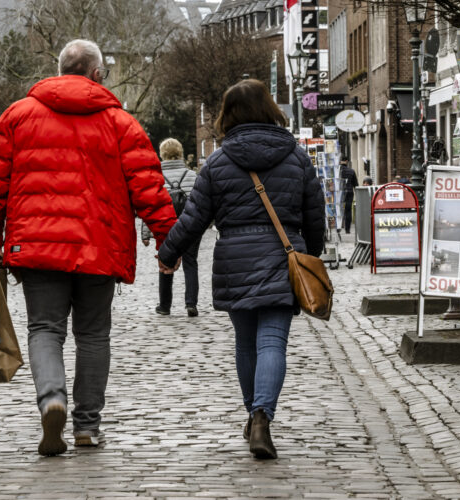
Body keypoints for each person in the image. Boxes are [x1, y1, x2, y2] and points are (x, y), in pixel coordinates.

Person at [0, 39, 177, 456]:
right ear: (98, 74)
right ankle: (87, 426)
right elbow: (149, 188)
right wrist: (167, 242)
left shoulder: (17, 116)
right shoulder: (121, 123)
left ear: (60, 70)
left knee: (44, 329)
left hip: (36, 248)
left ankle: (52, 399)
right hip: (99, 247)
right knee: (93, 335)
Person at [157, 79, 325, 459]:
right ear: (269, 108)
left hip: (236, 258)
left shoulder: (218, 162)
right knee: (273, 343)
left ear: (228, 115)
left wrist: (169, 254)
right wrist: (310, 256)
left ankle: (255, 415)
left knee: (246, 343)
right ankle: (262, 415)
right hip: (284, 257)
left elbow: (193, 219)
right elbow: (315, 215)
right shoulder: (296, 156)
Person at [142, 138, 201, 316]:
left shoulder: (156, 176)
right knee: (191, 263)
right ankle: (191, 303)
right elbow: (200, 203)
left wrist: (146, 233)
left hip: (166, 227)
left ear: (162, 154)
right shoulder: (191, 176)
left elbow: (150, 205)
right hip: (189, 226)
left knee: (165, 262)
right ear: (180, 153)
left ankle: (165, 306)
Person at [339, 160, 358, 234]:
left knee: (338, 209)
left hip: (340, 192)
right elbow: (355, 184)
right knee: (348, 210)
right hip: (349, 192)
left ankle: (338, 227)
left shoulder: (338, 172)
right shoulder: (351, 171)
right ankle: (347, 229)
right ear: (347, 162)